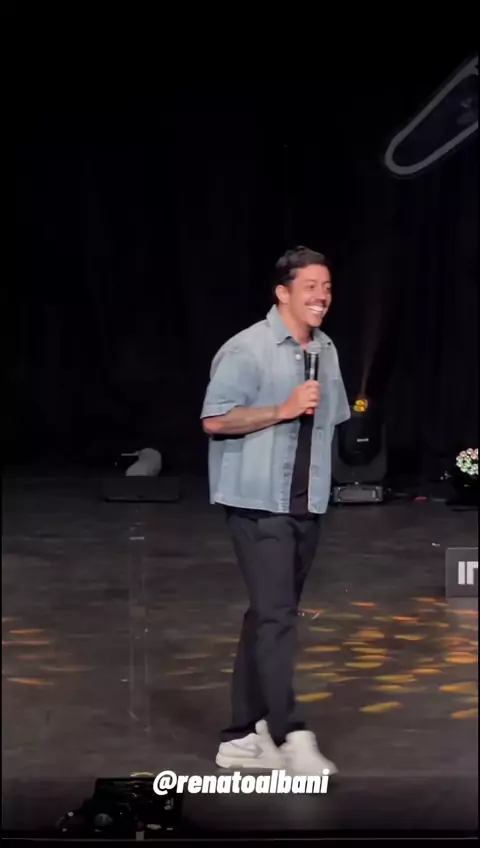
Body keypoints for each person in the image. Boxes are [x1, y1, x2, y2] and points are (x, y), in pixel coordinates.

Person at [200, 246, 350, 775]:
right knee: (277, 617)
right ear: (282, 293)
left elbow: (330, 422)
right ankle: (291, 732)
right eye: (311, 286)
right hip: (258, 503)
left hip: (305, 503)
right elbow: (215, 420)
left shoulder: (325, 349)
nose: (322, 296)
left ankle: (241, 736)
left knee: (267, 616)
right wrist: (281, 410)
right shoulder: (248, 348)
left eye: (327, 287)